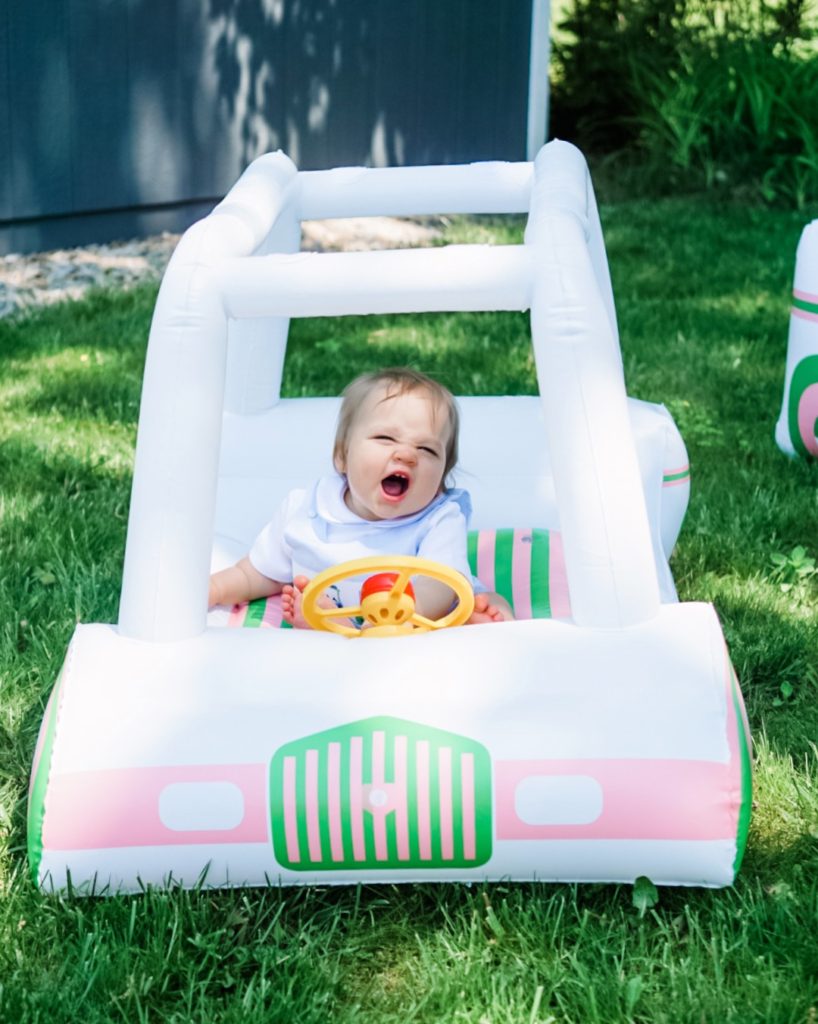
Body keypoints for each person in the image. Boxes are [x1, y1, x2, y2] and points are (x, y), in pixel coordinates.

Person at [209, 368, 513, 627]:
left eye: (427, 449)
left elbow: (441, 583)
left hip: (419, 616)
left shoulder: (439, 519)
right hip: (340, 611)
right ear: (342, 456)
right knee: (310, 601)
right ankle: (326, 620)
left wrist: (402, 614)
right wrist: (216, 588)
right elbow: (258, 573)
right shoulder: (305, 511)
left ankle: (486, 622)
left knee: (482, 599)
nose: (407, 455)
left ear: (441, 480)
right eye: (385, 438)